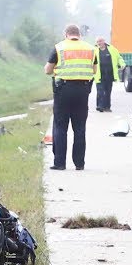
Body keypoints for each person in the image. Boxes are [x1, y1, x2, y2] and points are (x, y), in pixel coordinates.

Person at [44, 24, 95, 170]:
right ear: (79, 34)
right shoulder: (90, 49)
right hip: (83, 91)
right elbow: (94, 70)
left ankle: (60, 163)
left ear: (66, 34)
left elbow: (48, 70)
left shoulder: (59, 47)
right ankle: (79, 164)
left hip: (63, 91)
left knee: (60, 127)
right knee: (79, 128)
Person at [91, 36, 125, 112]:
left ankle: (107, 107)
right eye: (97, 42)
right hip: (99, 75)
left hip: (109, 75)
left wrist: (122, 64)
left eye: (100, 41)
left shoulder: (112, 49)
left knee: (108, 91)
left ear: (104, 41)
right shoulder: (94, 50)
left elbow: (119, 58)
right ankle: (100, 106)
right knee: (100, 91)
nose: (99, 43)